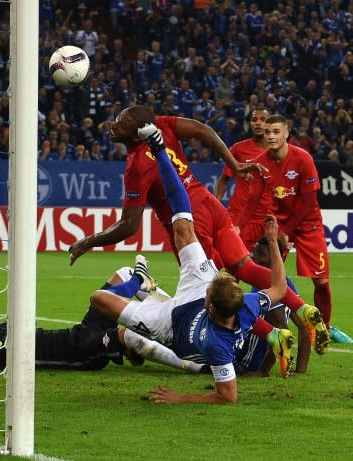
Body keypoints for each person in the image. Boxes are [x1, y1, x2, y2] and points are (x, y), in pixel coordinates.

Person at [67, 105, 329, 357]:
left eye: (122, 122)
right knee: (245, 268)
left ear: (137, 131)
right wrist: (234, 164)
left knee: (211, 289)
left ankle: (272, 335)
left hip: (188, 223)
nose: (114, 125)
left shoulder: (137, 166)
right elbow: (204, 130)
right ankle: (302, 308)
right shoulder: (163, 125)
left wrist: (88, 241)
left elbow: (129, 225)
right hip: (207, 200)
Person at [90, 123, 292, 403]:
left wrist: (179, 397)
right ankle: (160, 151)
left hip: (168, 328)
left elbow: (228, 397)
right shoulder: (246, 305)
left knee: (99, 298)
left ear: (210, 303)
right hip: (195, 290)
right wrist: (271, 242)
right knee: (184, 227)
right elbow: (279, 288)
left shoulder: (216, 345)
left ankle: (139, 281)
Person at [0, 265, 208, 375]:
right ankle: (195, 365)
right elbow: (1, 356)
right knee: (123, 335)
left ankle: (177, 316)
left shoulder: (4, 327)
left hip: (80, 333)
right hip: (79, 351)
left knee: (123, 275)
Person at [237, 114, 353, 345]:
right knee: (264, 276)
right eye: (268, 132)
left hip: (308, 225)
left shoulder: (303, 159)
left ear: (287, 133)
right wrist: (237, 227)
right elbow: (253, 201)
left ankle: (325, 328)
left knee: (321, 282)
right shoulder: (261, 162)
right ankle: (260, 325)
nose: (271, 136)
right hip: (279, 224)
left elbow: (309, 202)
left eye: (276, 132)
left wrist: (287, 230)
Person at [241, 236, 311, 376]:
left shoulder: (266, 285)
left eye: (260, 254)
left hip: (245, 361)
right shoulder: (286, 282)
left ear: (275, 258)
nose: (253, 257)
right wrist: (300, 370)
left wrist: (263, 370)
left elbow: (281, 326)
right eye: (253, 252)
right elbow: (305, 325)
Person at [214, 107, 270, 250]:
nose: (258, 123)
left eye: (262, 120)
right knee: (235, 259)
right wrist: (216, 204)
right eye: (254, 120)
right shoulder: (238, 149)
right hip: (239, 214)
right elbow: (224, 178)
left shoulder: (277, 151)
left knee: (266, 262)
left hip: (266, 216)